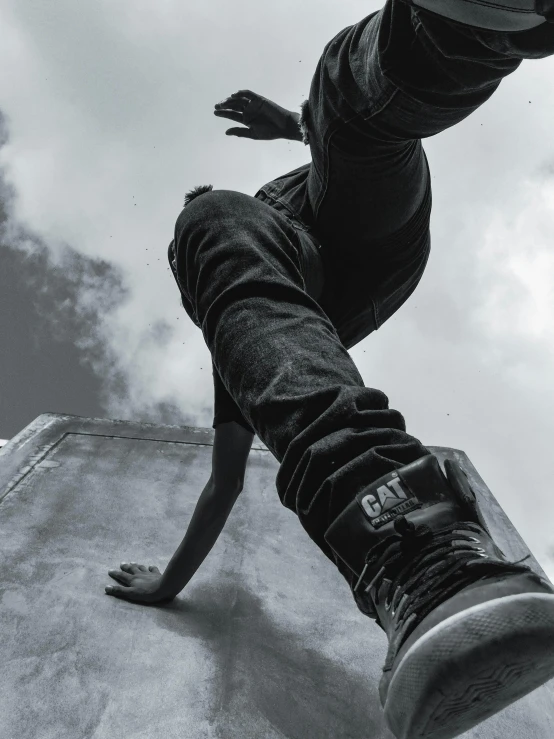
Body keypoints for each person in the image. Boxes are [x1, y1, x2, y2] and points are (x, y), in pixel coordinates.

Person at [106, 2, 554, 737]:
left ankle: (488, 18)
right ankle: (416, 546)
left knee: (337, 113)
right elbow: (222, 486)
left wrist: (292, 124)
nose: (253, 224)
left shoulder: (282, 208)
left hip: (355, 210)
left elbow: (339, 146)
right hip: (363, 272)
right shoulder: (251, 357)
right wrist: (169, 583)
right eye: (211, 270)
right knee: (211, 219)